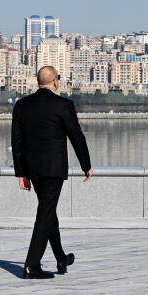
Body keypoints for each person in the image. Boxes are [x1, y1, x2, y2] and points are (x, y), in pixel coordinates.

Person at [12, 65, 92, 279]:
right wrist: (86, 164)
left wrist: (22, 172)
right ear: (55, 81)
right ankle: (32, 264)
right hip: (54, 168)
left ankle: (60, 258)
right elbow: (77, 136)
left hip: (33, 169)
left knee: (48, 211)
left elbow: (16, 141)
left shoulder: (22, 105)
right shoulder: (63, 105)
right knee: (45, 212)